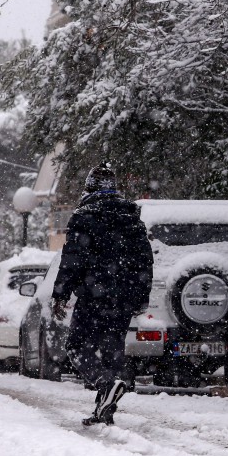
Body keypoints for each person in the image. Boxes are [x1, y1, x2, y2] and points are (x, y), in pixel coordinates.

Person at [51, 164, 153, 426]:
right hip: (124, 298)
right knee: (111, 350)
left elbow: (71, 261)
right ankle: (104, 410)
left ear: (90, 188)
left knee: (76, 347)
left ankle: (105, 383)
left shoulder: (84, 216)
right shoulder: (132, 218)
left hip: (93, 296)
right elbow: (145, 261)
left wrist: (60, 295)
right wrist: (141, 296)